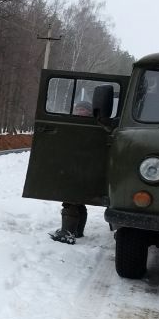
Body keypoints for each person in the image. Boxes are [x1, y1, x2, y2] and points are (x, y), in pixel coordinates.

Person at [50, 100, 92, 245]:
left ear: (89, 112)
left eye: (83, 109)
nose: (80, 111)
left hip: (81, 167)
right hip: (76, 166)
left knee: (71, 200)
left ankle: (67, 233)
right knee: (78, 203)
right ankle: (77, 231)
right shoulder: (75, 124)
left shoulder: (91, 126)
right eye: (78, 109)